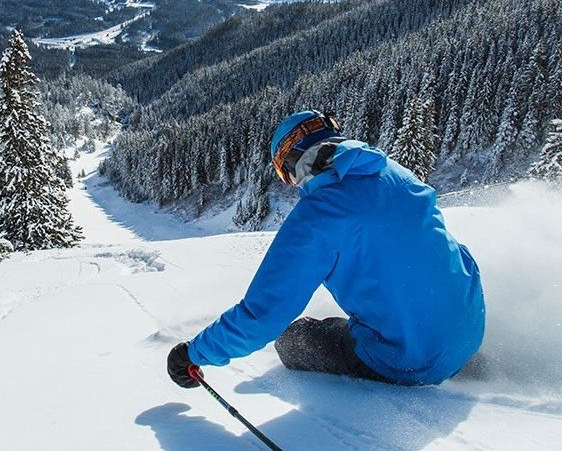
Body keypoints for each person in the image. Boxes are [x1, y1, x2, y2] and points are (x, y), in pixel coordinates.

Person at [167, 110, 485, 388]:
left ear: (292, 166)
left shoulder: (317, 216)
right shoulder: (395, 172)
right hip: (471, 327)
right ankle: (453, 350)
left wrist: (193, 353)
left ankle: (418, 353)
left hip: (409, 360)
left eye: (283, 172)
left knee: (292, 339)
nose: (289, 182)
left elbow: (261, 316)